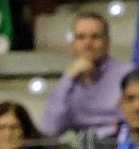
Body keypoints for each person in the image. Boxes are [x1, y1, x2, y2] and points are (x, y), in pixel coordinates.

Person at [40, 10, 129, 138]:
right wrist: (68, 77)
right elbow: (49, 129)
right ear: (73, 45)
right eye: (81, 37)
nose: (88, 44)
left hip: (118, 144)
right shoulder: (69, 83)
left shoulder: (127, 74)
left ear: (107, 43)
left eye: (95, 37)